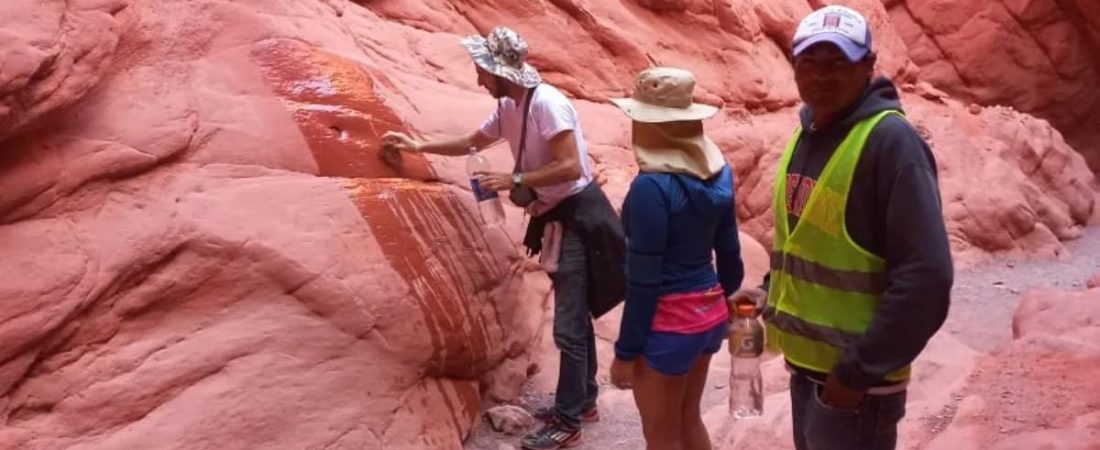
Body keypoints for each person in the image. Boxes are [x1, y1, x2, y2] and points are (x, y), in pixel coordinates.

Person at [380, 26, 625, 450]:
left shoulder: (547, 104)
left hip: (580, 218)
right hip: (556, 216)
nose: (478, 79)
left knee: (568, 324)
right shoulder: (510, 105)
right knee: (575, 313)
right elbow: (471, 141)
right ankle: (582, 401)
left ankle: (568, 421)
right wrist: (417, 146)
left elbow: (569, 167)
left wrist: (515, 178)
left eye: (481, 71)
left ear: (499, 70)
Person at [727, 5, 954, 450]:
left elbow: (927, 278)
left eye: (838, 63)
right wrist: (768, 292)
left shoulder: (891, 143)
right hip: (809, 372)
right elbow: (813, 245)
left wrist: (856, 373)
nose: (822, 75)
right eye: (810, 62)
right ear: (793, 67)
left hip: (856, 388)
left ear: (867, 66)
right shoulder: (808, 131)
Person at [607, 67, 744, 450]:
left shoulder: (652, 186)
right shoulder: (720, 174)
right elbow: (730, 255)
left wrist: (626, 351)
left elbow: (644, 279)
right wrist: (722, 303)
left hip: (668, 324)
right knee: (688, 419)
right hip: (708, 313)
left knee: (661, 435)